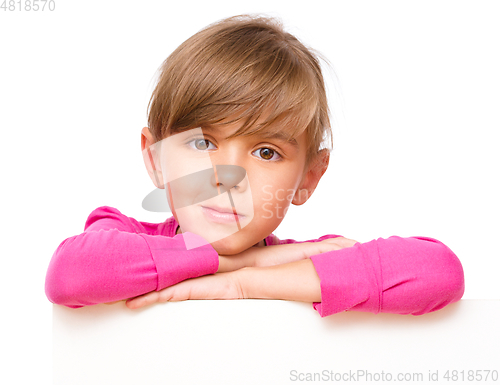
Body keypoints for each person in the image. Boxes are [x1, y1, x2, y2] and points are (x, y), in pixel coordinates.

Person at [44, 14, 464, 317]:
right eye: (202, 142)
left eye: (266, 152)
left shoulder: (306, 260)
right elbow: (73, 274)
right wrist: (249, 261)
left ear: (309, 177)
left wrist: (245, 283)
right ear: (155, 159)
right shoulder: (124, 235)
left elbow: (438, 271)